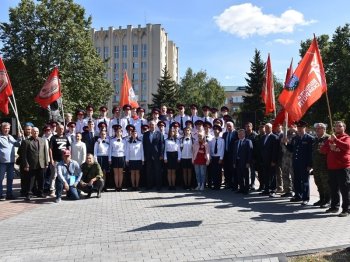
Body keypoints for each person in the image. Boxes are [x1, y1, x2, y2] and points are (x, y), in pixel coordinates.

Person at [320, 121, 350, 217]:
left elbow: (347, 146)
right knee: (333, 189)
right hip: (332, 168)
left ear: (344, 128)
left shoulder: (346, 138)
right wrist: (330, 146)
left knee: (345, 189)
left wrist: (336, 141)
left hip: (343, 167)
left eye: (340, 126)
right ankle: (334, 207)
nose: (337, 127)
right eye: (336, 126)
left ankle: (346, 209)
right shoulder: (330, 139)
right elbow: (322, 150)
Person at [285, 121, 314, 205]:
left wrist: (310, 165)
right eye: (298, 128)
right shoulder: (295, 138)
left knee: (304, 181)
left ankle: (305, 198)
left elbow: (310, 153)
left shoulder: (309, 138)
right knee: (296, 180)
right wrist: (286, 143)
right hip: (296, 163)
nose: (299, 129)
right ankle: (298, 195)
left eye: (301, 128)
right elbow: (291, 150)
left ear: (305, 128)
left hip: (305, 164)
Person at [21, 127, 49, 200]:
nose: (35, 133)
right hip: (31, 164)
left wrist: (46, 162)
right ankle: (29, 194)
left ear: (38, 132)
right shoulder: (26, 141)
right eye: (34, 131)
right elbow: (24, 155)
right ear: (31, 132)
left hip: (41, 163)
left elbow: (45, 152)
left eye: (37, 131)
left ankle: (40, 192)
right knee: (30, 180)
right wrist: (26, 165)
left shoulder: (42, 140)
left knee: (41, 179)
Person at [0, 122, 22, 200]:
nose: (7, 130)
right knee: (0, 179)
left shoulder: (10, 137)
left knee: (10, 178)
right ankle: (0, 194)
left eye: (8, 128)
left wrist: (20, 138)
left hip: (11, 161)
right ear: (2, 128)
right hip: (2, 162)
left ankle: (9, 194)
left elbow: (17, 144)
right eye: (5, 128)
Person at [312, 123, 331, 208]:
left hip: (325, 166)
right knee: (318, 183)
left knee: (326, 184)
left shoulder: (328, 138)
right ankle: (321, 199)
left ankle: (328, 200)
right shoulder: (315, 139)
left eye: (319, 128)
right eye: (316, 129)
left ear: (324, 129)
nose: (317, 130)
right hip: (316, 166)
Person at [49, 123, 71, 197]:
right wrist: (51, 159)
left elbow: (68, 147)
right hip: (56, 160)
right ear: (57, 129)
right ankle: (52, 190)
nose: (61, 130)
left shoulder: (65, 137)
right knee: (54, 175)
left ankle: (65, 189)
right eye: (59, 129)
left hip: (65, 160)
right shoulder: (53, 137)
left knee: (65, 175)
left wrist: (69, 158)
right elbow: (50, 149)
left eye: (62, 129)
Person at [142, 120, 164, 190]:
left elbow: (162, 145)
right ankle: (149, 186)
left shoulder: (159, 133)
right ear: (149, 126)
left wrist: (161, 154)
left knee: (158, 171)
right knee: (149, 171)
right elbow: (144, 145)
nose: (152, 126)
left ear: (155, 125)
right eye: (151, 124)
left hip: (157, 155)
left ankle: (158, 186)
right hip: (148, 155)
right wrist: (144, 155)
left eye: (153, 124)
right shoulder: (146, 134)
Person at [260, 123, 279, 196]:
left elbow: (275, 150)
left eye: (268, 128)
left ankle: (273, 190)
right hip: (264, 160)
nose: (267, 129)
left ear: (271, 128)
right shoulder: (263, 137)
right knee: (266, 175)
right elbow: (261, 149)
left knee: (272, 176)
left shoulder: (274, 137)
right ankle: (266, 189)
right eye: (266, 128)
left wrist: (274, 161)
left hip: (271, 161)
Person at [233, 129, 253, 194]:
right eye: (239, 134)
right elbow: (234, 153)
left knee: (246, 176)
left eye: (241, 134)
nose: (240, 135)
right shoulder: (236, 142)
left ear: (244, 134)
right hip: (237, 161)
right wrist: (234, 162)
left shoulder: (248, 141)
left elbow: (250, 153)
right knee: (239, 176)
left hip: (245, 162)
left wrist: (248, 162)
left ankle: (246, 189)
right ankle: (241, 188)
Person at [109, 125, 126, 191]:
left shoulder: (124, 141)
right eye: (117, 132)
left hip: (121, 157)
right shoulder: (112, 140)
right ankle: (116, 186)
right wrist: (109, 159)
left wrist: (126, 159)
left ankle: (120, 186)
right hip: (114, 157)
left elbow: (126, 150)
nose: (118, 133)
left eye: (120, 132)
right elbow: (110, 150)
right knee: (116, 173)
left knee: (121, 173)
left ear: (121, 133)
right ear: (115, 133)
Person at [222, 121, 238, 189]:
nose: (228, 127)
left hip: (233, 155)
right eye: (227, 126)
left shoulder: (236, 133)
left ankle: (234, 184)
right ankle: (227, 183)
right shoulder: (224, 134)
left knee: (233, 170)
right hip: (226, 154)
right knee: (226, 170)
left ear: (233, 126)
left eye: (230, 126)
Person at [209, 125, 224, 190]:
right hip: (213, 157)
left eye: (217, 130)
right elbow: (210, 149)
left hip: (219, 157)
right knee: (213, 171)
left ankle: (218, 185)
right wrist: (210, 157)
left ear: (219, 131)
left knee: (218, 171)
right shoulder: (212, 140)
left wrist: (221, 158)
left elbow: (222, 149)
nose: (215, 131)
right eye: (214, 130)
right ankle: (215, 184)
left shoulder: (222, 140)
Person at [245, 122, 258, 190]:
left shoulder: (255, 135)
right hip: (246, 156)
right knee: (246, 171)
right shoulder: (245, 135)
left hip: (253, 156)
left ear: (252, 127)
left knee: (253, 171)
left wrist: (255, 157)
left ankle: (252, 184)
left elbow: (256, 147)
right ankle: (247, 184)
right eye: (246, 126)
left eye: (249, 126)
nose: (247, 128)